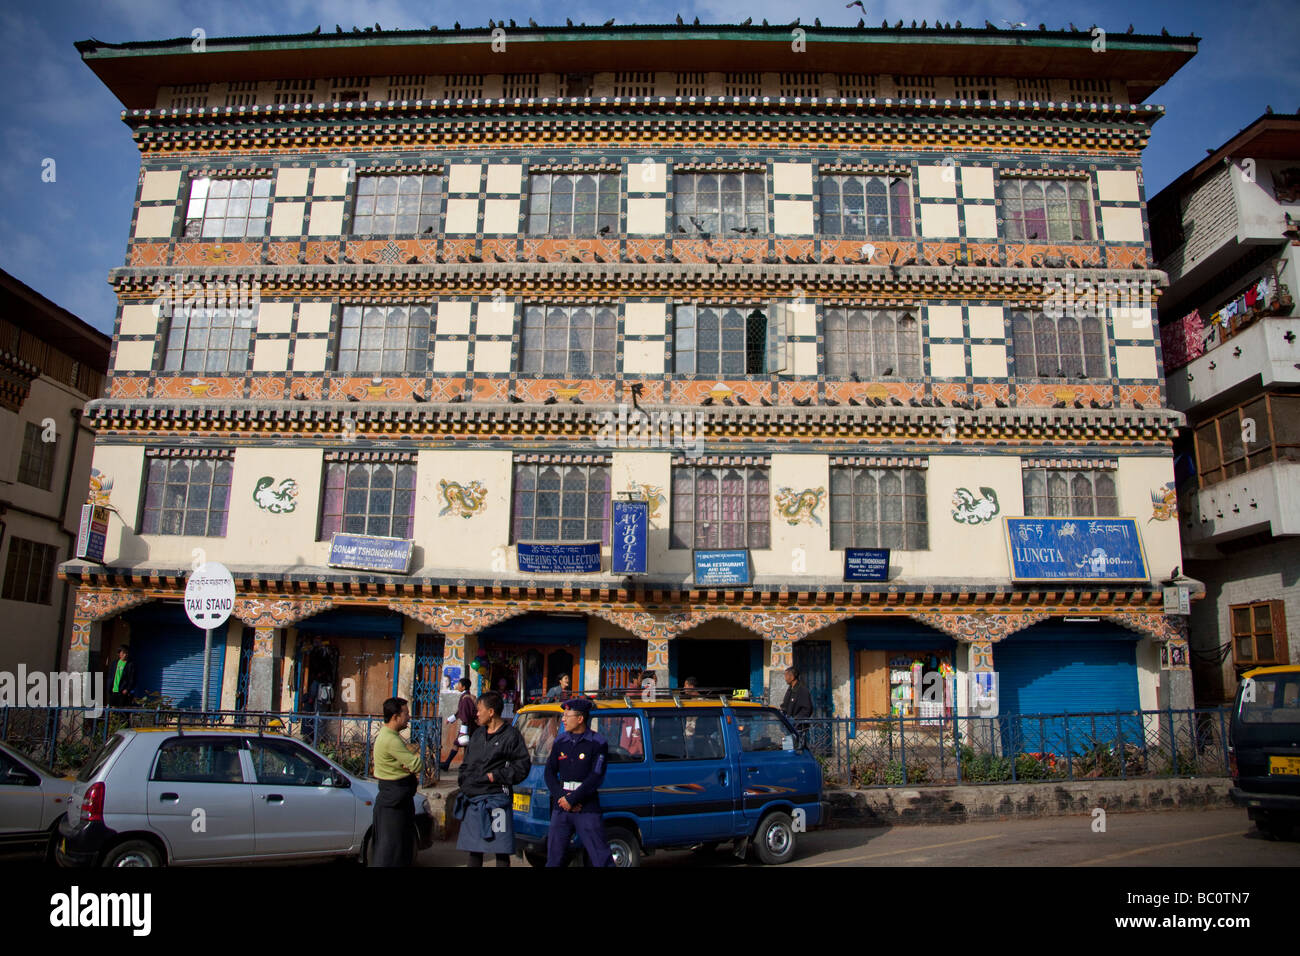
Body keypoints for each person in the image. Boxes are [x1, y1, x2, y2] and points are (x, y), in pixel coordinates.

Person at [455, 691, 531, 867]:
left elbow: (522, 766)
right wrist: (463, 781)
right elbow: (466, 764)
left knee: (501, 851)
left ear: (491, 712)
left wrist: (496, 776)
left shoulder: (511, 736)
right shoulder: (477, 735)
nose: (476, 714)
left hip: (497, 800)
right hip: (473, 799)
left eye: (479, 710)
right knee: (474, 850)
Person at [543, 697, 613, 867]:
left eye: (567, 715)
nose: (564, 719)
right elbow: (549, 772)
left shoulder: (598, 743)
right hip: (561, 806)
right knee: (554, 858)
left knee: (600, 857)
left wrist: (573, 799)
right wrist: (563, 799)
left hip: (586, 806)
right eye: (563, 715)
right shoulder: (560, 741)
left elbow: (596, 776)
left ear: (580, 718)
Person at [370, 696, 422, 867]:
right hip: (394, 801)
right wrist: (411, 762)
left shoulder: (389, 735)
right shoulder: (391, 739)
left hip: (395, 799)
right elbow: (416, 764)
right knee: (392, 851)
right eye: (406, 713)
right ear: (395, 716)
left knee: (397, 849)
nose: (409, 717)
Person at [441, 678, 478, 771]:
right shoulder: (465, 697)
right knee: (462, 744)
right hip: (468, 725)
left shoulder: (465, 699)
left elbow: (465, 714)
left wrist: (463, 729)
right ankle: (449, 763)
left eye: (459, 684)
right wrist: (450, 719)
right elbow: (460, 712)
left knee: (461, 743)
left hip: (468, 726)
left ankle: (451, 764)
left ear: (463, 687)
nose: (457, 686)